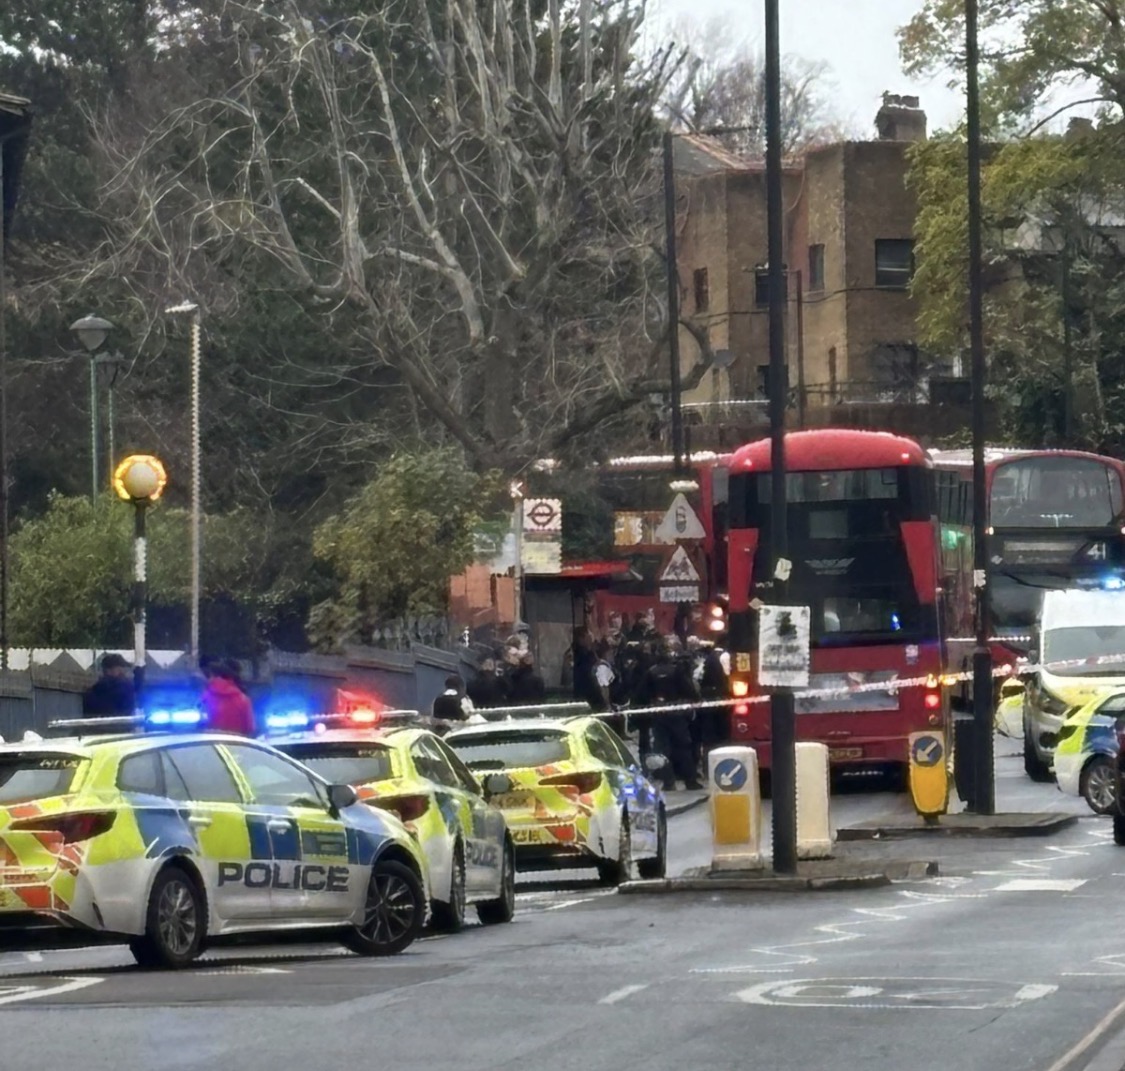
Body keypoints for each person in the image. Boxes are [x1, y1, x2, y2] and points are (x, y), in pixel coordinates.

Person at [637, 636, 702, 791]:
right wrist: (693, 701)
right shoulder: (676, 671)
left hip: (659, 715)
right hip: (676, 714)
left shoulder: (651, 672)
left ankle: (668, 781)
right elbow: (689, 690)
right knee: (683, 747)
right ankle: (690, 781)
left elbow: (641, 694)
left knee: (662, 749)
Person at [201, 660, 256, 735]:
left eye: (209, 676)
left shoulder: (205, 697)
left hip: (209, 743)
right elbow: (249, 728)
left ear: (215, 677)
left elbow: (200, 725)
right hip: (236, 744)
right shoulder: (243, 699)